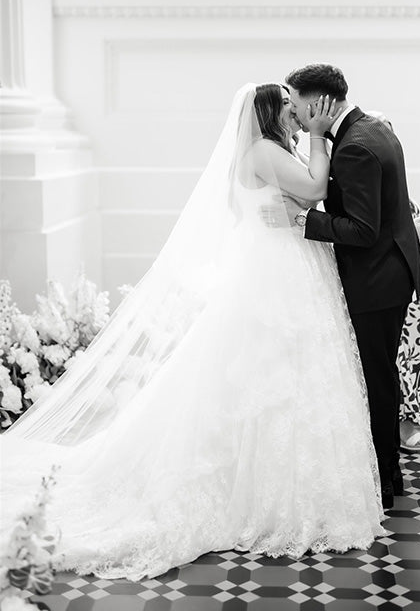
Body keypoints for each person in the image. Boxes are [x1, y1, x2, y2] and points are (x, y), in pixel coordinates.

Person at [0, 83, 385, 583]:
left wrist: (291, 199)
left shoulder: (261, 154)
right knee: (273, 372)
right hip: (279, 275)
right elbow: (314, 190)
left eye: (299, 111)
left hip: (282, 266)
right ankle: (258, 493)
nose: (297, 116)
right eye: (290, 110)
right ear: (270, 114)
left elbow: (262, 206)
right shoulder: (265, 151)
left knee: (283, 375)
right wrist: (317, 139)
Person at [268, 64, 420, 510]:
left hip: (377, 279)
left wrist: (300, 220)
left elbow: (360, 229)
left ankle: (383, 481)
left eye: (296, 103)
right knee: (379, 374)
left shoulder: (354, 146)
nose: (296, 115)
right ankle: (386, 471)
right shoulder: (373, 127)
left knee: (376, 377)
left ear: (319, 102)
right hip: (393, 271)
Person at [366, 111, 420, 451]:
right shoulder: (366, 181)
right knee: (390, 357)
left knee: (412, 355)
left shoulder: (399, 186)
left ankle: (407, 420)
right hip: (383, 282)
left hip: (409, 283)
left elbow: (408, 222)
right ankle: (393, 426)